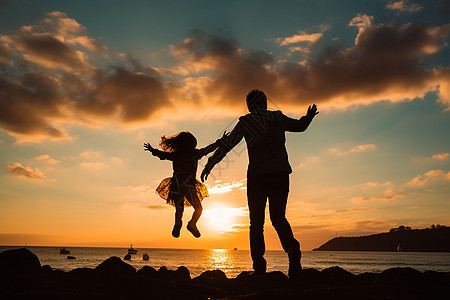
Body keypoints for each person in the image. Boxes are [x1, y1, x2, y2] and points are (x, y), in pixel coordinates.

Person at [201, 89, 318, 278]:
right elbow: (300, 126)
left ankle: (259, 265)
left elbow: (227, 145)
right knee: (278, 218)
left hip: (257, 176)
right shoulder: (277, 117)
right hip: (280, 173)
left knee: (256, 223)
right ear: (265, 102)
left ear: (249, 106)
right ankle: (292, 248)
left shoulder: (246, 122)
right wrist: (309, 116)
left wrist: (210, 163)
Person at [144, 131, 227, 238]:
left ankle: (178, 223)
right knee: (198, 208)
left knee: (179, 208)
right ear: (192, 143)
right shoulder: (194, 154)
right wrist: (219, 142)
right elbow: (208, 149)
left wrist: (152, 150)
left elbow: (164, 155)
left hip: (177, 185)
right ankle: (192, 223)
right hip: (188, 185)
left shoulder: (176, 155)